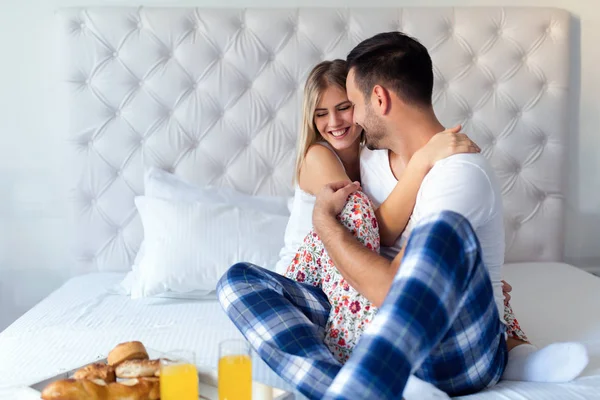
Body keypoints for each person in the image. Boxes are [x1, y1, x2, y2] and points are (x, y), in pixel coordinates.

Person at [217, 36, 587, 399]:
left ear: (379, 99)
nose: (352, 119)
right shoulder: (363, 162)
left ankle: (502, 356)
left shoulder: (459, 171)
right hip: (373, 323)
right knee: (237, 282)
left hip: (453, 346)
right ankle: (349, 385)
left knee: (444, 232)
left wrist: (327, 225)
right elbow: (371, 236)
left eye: (352, 104)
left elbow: (390, 286)